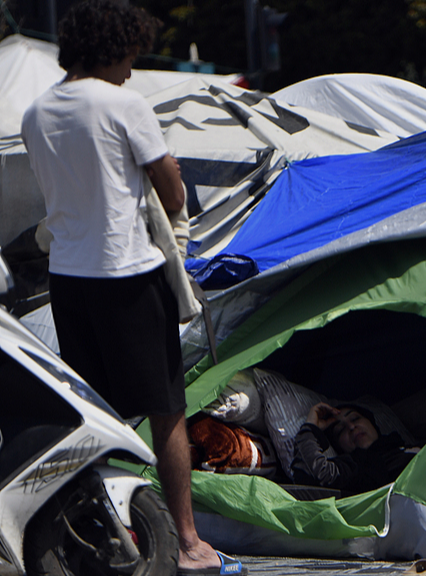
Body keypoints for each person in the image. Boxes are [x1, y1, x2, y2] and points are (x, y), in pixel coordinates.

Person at [20, 1, 241, 574]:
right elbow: (171, 189)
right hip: (128, 276)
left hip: (67, 280)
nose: (132, 69)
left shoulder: (37, 112)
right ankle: (189, 543)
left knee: (96, 412)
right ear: (115, 48)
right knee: (167, 410)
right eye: (131, 56)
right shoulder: (123, 104)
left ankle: (100, 530)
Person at [291, 402, 418, 494]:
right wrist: (311, 427)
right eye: (340, 430)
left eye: (355, 418)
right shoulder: (355, 467)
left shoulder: (403, 445)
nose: (351, 427)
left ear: (371, 422)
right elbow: (315, 473)